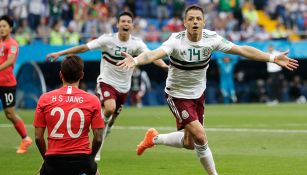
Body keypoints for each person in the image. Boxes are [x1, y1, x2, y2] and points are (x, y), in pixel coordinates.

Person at [118, 5, 299, 175]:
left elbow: (242, 50)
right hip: (177, 95)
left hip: (198, 94)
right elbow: (152, 54)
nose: (195, 21)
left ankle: (154, 138)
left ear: (204, 22)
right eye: (191, 19)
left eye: (198, 18)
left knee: (190, 143)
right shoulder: (176, 41)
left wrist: (272, 57)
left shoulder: (212, 39)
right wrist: (134, 61)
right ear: (185, 23)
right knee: (200, 136)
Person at [46, 11, 168, 161]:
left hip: (124, 87)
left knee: (112, 120)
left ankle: (102, 133)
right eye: (122, 21)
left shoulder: (136, 43)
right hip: (106, 81)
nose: (125, 24)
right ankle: (98, 134)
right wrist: (61, 52)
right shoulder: (107, 40)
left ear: (132, 26)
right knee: (109, 109)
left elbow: (150, 56)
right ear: (117, 24)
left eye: (128, 22)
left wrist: (164, 66)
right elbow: (84, 47)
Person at [34, 55, 104, 175]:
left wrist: (47, 159)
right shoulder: (93, 100)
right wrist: (90, 159)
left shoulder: (44, 99)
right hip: (82, 159)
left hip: (53, 159)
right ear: (81, 75)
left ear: (61, 75)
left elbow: (38, 137)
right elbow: (98, 137)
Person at [0, 15, 32, 154]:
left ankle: (25, 139)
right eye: (0, 26)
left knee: (10, 113)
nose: (1, 29)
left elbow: (10, 61)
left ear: (10, 28)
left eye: (4, 26)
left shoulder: (12, 44)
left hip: (7, 84)